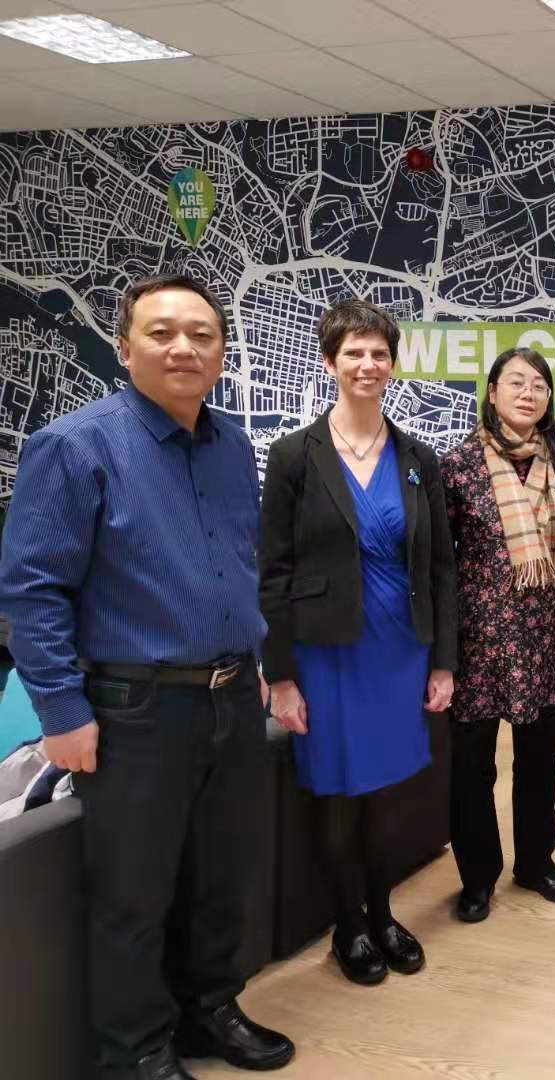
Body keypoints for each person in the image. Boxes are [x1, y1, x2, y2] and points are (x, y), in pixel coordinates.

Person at [0, 275, 293, 1079]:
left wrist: (252, 663)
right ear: (126, 347)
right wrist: (62, 711)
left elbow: (236, 563)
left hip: (231, 697)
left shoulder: (232, 446)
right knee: (133, 894)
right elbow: (33, 591)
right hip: (134, 707)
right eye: (161, 333)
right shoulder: (76, 446)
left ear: (222, 353)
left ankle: (210, 1010)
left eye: (202, 334)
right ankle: (134, 1052)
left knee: (221, 875)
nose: (183, 347)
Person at [259, 299, 456, 987]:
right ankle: (349, 926)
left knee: (388, 796)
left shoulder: (417, 458)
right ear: (329, 362)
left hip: (401, 649)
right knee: (340, 794)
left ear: (392, 364)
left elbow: (441, 568)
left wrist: (443, 662)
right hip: (328, 653)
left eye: (379, 353)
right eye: (354, 353)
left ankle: (383, 914)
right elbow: (273, 571)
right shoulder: (294, 456)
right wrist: (281, 676)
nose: (368, 364)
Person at [443, 347, 555, 923]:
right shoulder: (459, 467)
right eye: (515, 382)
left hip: (544, 636)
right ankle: (477, 876)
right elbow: (439, 563)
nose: (528, 394)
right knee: (472, 768)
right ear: (492, 392)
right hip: (477, 640)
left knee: (539, 759)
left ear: (549, 399)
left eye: (539, 385)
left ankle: (535, 863)